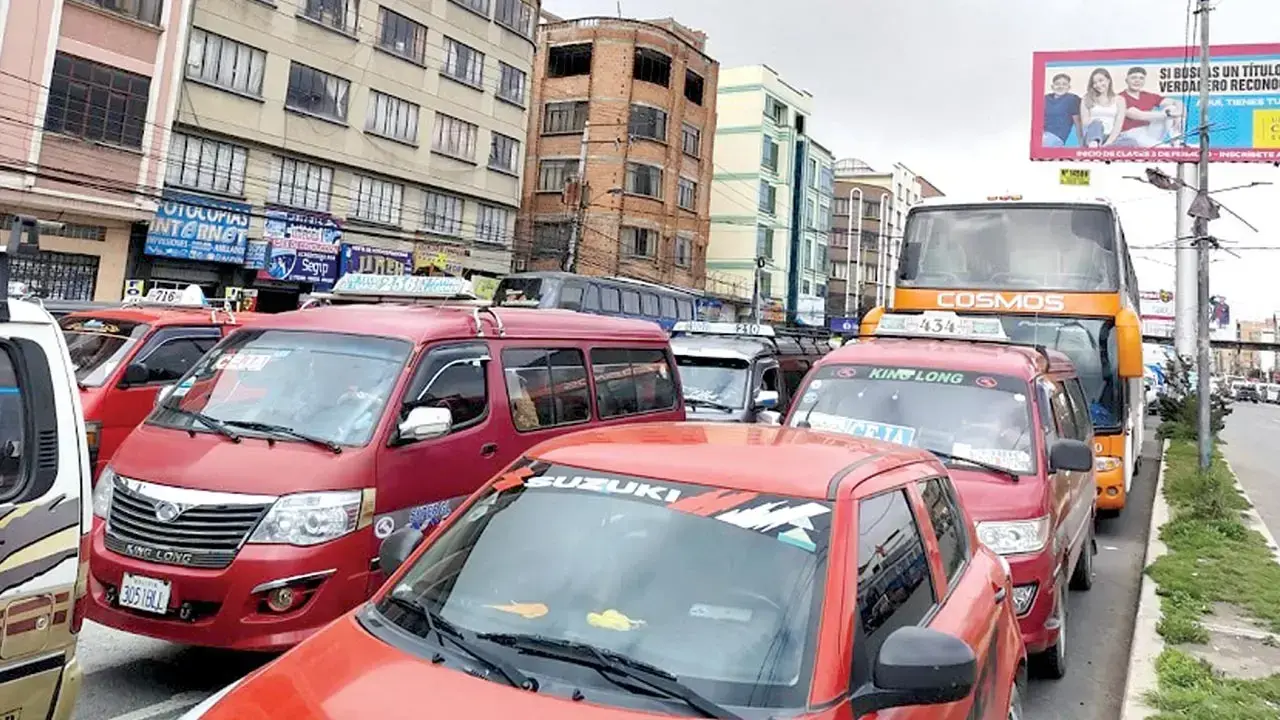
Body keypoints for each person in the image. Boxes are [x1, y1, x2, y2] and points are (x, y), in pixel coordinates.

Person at [1113, 67, 1182, 147]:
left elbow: (1177, 102)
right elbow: (1138, 115)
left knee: (1172, 108)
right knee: (1162, 147)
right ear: (1126, 80)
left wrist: (1178, 113)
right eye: (1133, 78)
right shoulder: (1121, 97)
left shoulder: (1148, 96)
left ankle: (1177, 142)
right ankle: (1169, 147)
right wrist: (1168, 114)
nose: (1137, 81)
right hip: (1129, 134)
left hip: (1148, 130)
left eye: (1141, 78)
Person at [1080, 68, 1127, 147]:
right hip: (1092, 135)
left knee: (1131, 142)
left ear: (1108, 80)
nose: (1098, 85)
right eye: (1094, 83)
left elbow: (1118, 125)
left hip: (1110, 137)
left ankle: (1104, 149)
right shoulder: (1086, 98)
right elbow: (1085, 122)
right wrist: (1097, 122)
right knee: (1097, 124)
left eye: (1101, 80)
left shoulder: (1120, 100)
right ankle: (1094, 146)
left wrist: (1108, 143)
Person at [1043, 73, 1083, 147]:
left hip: (1055, 137)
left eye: (1064, 84)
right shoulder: (1045, 98)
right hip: (1041, 134)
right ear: (1052, 86)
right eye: (1057, 84)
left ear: (1069, 87)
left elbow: (1078, 122)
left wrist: (1081, 143)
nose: (1060, 86)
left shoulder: (1072, 99)